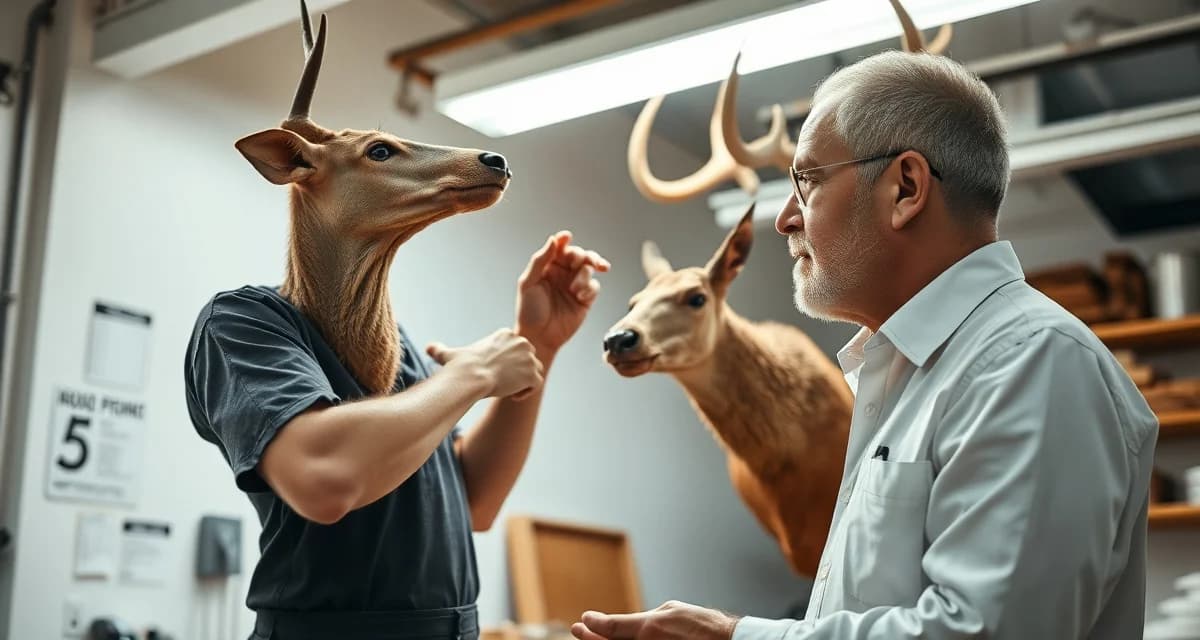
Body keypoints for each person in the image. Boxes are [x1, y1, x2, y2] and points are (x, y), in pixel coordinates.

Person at [572, 50, 1158, 640]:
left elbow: (985, 633)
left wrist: (734, 637)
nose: (784, 219)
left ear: (905, 188)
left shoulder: (1031, 363)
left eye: (807, 180)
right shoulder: (910, 374)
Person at [186, 230, 609, 640]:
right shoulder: (243, 319)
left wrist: (537, 343)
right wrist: (472, 375)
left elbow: (474, 503)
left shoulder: (396, 345)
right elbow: (324, 478)